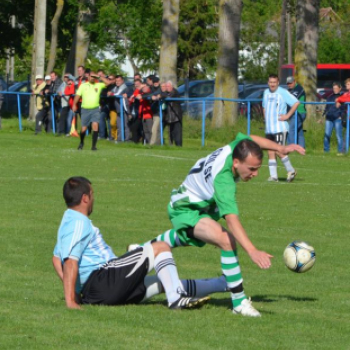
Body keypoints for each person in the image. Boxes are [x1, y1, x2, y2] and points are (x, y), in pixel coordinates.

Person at [133, 133, 305, 317]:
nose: (255, 174)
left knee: (190, 236)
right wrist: (252, 251)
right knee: (226, 240)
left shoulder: (237, 147)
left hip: (194, 202)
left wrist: (279, 148)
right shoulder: (224, 181)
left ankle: (142, 250)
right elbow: (231, 220)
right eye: (252, 169)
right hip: (186, 208)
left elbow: (251, 138)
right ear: (236, 163)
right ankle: (239, 302)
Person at [53, 176, 227, 309]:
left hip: (99, 293)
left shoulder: (67, 221)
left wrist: (78, 292)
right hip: (104, 278)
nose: (93, 200)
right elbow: (70, 262)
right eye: (92, 195)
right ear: (85, 198)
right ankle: (176, 299)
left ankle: (223, 284)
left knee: (165, 282)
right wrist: (71, 300)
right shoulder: (79, 222)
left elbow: (56, 259)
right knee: (161, 247)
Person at [262, 74, 300, 182]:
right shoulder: (266, 93)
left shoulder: (282, 92)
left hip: (280, 127)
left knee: (279, 150)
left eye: (274, 82)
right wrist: (266, 119)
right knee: (270, 150)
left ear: (278, 83)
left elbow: (296, 103)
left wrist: (287, 116)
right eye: (270, 82)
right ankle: (274, 176)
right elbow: (264, 106)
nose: (272, 84)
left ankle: (291, 170)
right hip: (270, 128)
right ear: (268, 83)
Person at [73, 71, 110, 151]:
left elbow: (108, 83)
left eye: (94, 77)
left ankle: (93, 146)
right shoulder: (83, 85)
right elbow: (78, 95)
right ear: (88, 77)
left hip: (95, 109)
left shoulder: (98, 85)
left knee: (95, 126)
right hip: (85, 109)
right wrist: (74, 104)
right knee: (83, 129)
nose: (92, 78)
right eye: (91, 76)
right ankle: (81, 142)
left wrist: (99, 76)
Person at [323, 82, 345, 154]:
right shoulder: (330, 96)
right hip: (329, 118)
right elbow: (327, 107)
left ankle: (340, 151)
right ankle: (326, 151)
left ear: (340, 88)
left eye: (336, 88)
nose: (335, 90)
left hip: (337, 118)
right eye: (334, 88)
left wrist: (340, 116)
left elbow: (344, 108)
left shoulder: (342, 96)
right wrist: (323, 115)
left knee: (339, 136)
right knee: (327, 135)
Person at [286, 76, 306, 148]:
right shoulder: (289, 90)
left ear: (295, 82)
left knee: (291, 130)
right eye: (288, 83)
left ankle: (291, 149)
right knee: (299, 132)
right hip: (294, 113)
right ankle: (302, 149)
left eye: (290, 83)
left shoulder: (299, 88)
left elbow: (292, 100)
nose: (289, 85)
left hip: (299, 113)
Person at [162, 81, 183, 146]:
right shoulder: (166, 93)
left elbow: (168, 98)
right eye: (166, 86)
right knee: (171, 132)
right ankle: (170, 144)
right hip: (169, 116)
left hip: (176, 116)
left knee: (177, 132)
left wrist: (161, 95)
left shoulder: (175, 92)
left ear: (172, 86)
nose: (167, 88)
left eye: (168, 86)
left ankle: (179, 146)